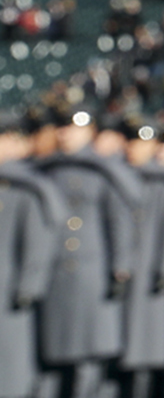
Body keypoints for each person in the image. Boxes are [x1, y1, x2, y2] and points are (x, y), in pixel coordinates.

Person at [33, 114, 137, 398]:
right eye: (63, 126)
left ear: (89, 131)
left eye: (73, 128)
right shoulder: (47, 168)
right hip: (53, 274)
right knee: (51, 355)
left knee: (87, 357)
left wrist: (121, 267)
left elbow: (118, 221)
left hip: (91, 274)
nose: (65, 134)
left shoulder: (103, 171)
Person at [116, 128, 164, 398]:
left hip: (149, 281)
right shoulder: (123, 177)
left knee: (147, 349)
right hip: (127, 279)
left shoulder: (163, 184)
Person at [0, 129, 61, 398]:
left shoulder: (28, 187)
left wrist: (28, 285)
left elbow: (36, 242)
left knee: (11, 364)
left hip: (9, 291)